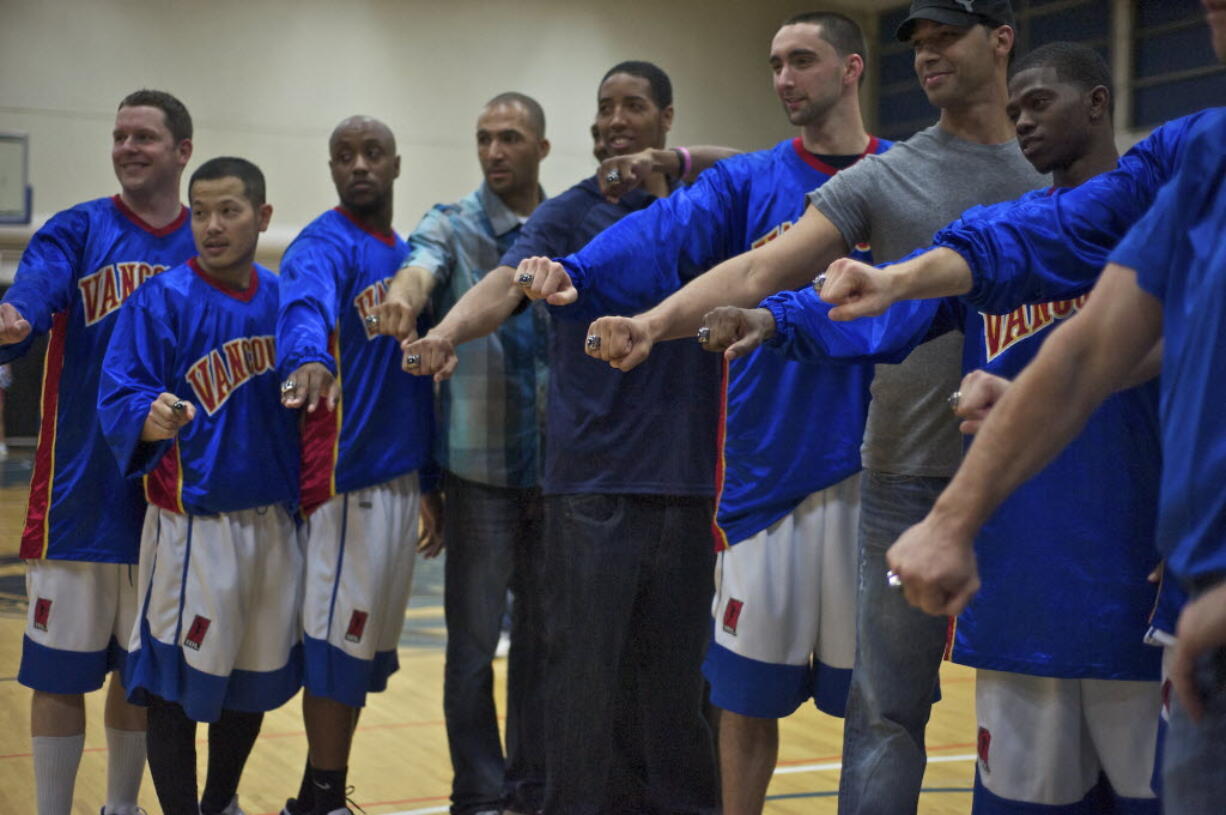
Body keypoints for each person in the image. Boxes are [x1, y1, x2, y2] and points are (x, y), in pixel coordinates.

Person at [578, 3, 1047, 809]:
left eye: (947, 38)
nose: (928, 57)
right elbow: (762, 272)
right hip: (903, 470)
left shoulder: (1058, 174)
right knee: (885, 711)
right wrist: (654, 323)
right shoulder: (886, 177)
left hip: (1035, 475)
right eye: (920, 44)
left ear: (1002, 40)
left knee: (1029, 707)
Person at [707, 42, 1166, 812]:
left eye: (1040, 103)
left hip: (1136, 582)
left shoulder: (1167, 227)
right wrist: (771, 316)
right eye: (1014, 108)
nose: (1023, 120)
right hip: (1021, 580)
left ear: (1097, 102)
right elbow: (887, 313)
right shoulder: (998, 235)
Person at [512, 13, 888, 813]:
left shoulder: (904, 175)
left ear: (852, 68)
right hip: (761, 476)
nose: (784, 77)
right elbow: (664, 229)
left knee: (874, 707)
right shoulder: (751, 179)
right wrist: (580, 270)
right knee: (743, 705)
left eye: (802, 60)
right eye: (775, 63)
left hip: (875, 470)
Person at [403, 62, 730, 814]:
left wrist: (678, 167)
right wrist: (448, 331)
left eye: (634, 105)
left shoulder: (709, 204)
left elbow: (771, 167)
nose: (615, 119)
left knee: (680, 686)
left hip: (686, 482)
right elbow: (504, 284)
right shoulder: (568, 215)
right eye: (605, 107)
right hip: (588, 485)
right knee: (582, 681)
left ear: (667, 118)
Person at [0, 88, 195, 815]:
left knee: (138, 675)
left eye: (144, 136)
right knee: (56, 673)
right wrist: (16, 316)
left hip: (166, 500)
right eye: (118, 136)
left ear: (182, 151)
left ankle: (122, 806)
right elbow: (33, 294)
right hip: (78, 497)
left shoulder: (200, 244)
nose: (127, 148)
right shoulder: (77, 229)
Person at [97, 156, 299, 815]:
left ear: (262, 217)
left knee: (249, 676)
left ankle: (221, 802)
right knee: (172, 688)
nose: (211, 226)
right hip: (192, 529)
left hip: (272, 523)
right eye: (202, 212)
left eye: (229, 211)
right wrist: (146, 416)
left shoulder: (283, 301)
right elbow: (120, 393)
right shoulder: (161, 299)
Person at [382, 91, 552, 815]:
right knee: (472, 653)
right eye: (484, 137)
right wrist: (403, 295)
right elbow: (420, 264)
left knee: (549, 650)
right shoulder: (451, 223)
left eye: (510, 137)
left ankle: (534, 787)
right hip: (477, 478)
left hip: (558, 480)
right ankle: (478, 793)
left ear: (541, 146)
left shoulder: (563, 223)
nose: (494, 151)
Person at [276, 116, 439, 815]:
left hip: (400, 477)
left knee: (362, 652)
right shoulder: (323, 242)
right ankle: (319, 798)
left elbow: (418, 378)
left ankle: (326, 794)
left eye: (372, 153)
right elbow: (304, 305)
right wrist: (307, 355)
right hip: (346, 479)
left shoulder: (408, 256)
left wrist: (430, 484)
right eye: (344, 156)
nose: (359, 166)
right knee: (336, 648)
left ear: (397, 164)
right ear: (332, 168)